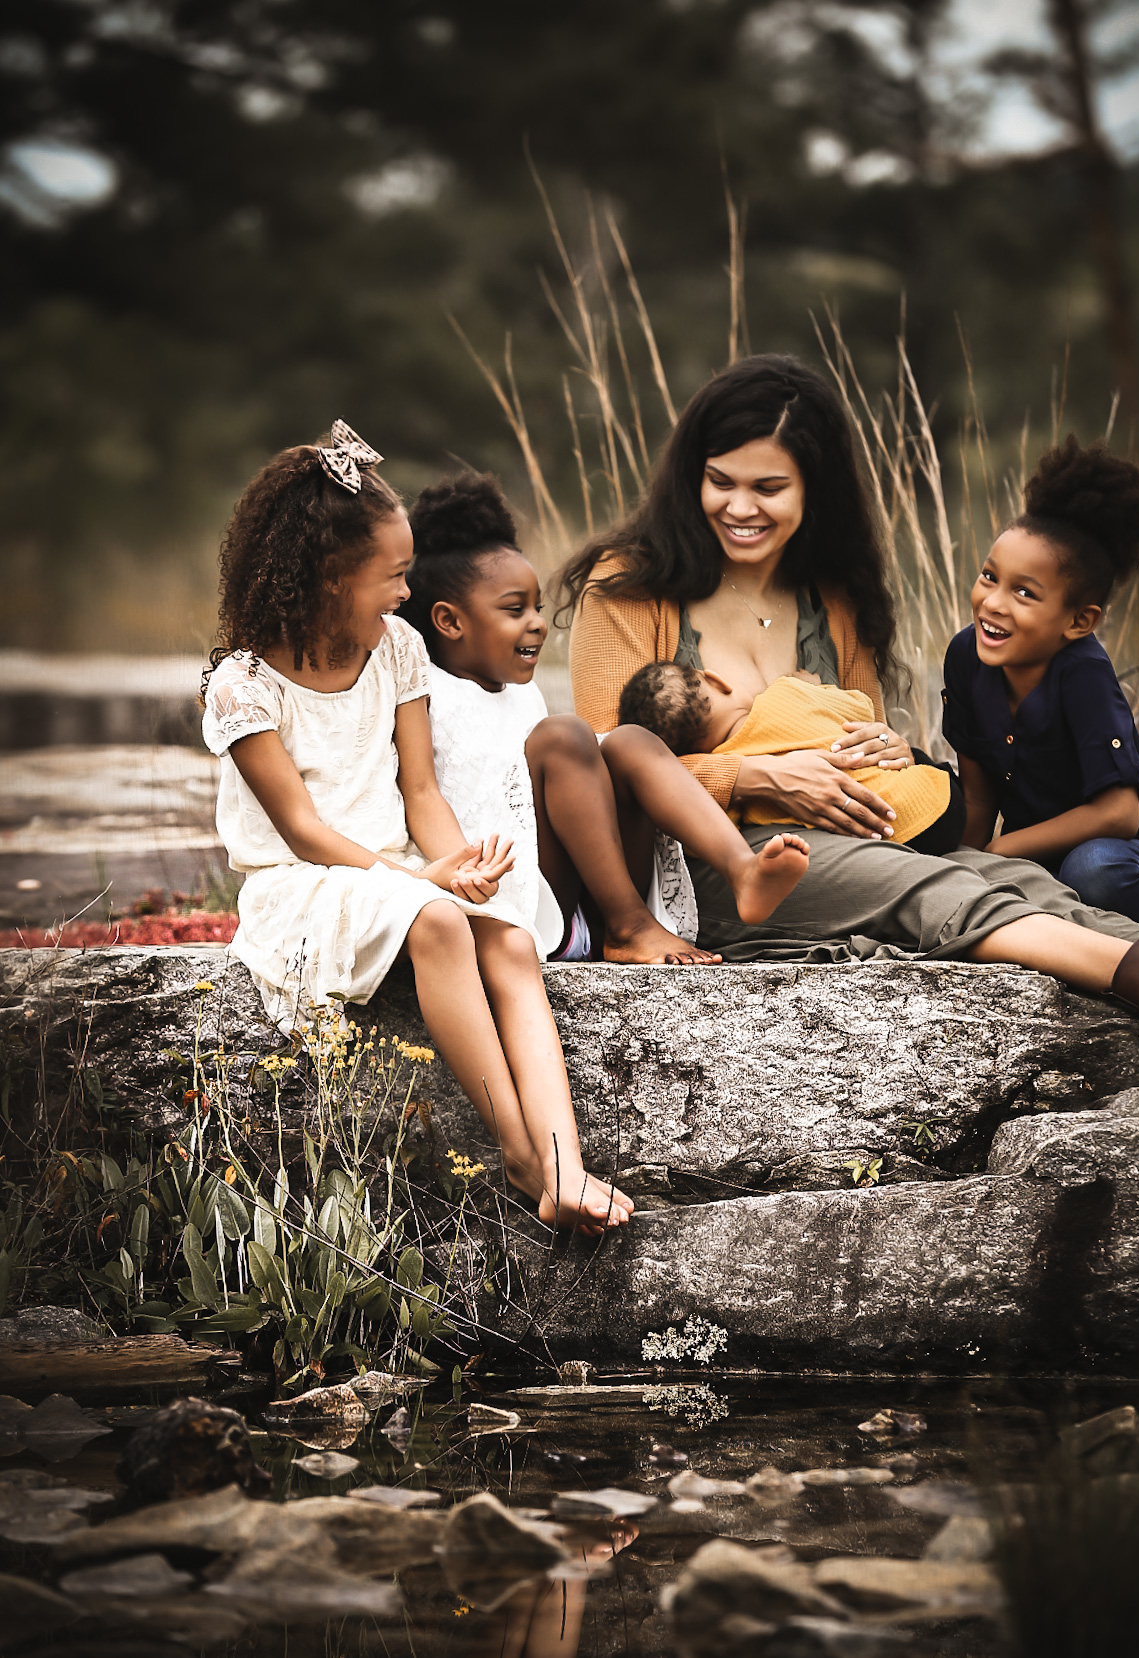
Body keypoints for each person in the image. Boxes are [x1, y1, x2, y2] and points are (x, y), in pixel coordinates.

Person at [561, 353, 1139, 1059]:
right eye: (720, 481)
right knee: (922, 884)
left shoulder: (831, 596)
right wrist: (753, 777)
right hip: (710, 862)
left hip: (843, 838)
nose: (740, 508)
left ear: (814, 491)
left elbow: (857, 726)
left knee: (1008, 875)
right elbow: (603, 766)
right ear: (693, 477)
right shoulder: (626, 585)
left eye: (769, 488)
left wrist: (889, 748)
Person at [201, 421, 632, 1232]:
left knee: (503, 933)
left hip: (400, 868)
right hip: (307, 886)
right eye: (392, 575)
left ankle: (566, 1165)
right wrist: (423, 885)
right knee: (439, 922)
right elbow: (300, 830)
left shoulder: (397, 649)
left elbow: (423, 791)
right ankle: (519, 1150)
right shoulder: (243, 685)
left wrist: (457, 862)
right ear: (331, 577)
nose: (406, 593)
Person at [398, 472, 810, 968]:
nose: (536, 622)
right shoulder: (422, 691)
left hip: (580, 899)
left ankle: (741, 871)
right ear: (449, 621)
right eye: (514, 610)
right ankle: (630, 926)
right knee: (566, 733)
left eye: (538, 607)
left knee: (629, 740)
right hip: (515, 903)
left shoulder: (522, 696)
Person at [943, 434, 1139, 930]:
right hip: (1043, 867)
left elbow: (1119, 814)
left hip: (1136, 859)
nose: (993, 602)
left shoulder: (1081, 669)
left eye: (1024, 592)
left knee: (1093, 867)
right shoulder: (966, 657)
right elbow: (978, 798)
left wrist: (1002, 850)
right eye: (988, 576)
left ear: (1078, 621)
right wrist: (961, 867)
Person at [617, 659, 964, 853]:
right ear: (717, 679)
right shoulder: (783, 693)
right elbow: (861, 708)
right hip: (936, 802)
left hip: (887, 840)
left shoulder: (732, 778)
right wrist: (812, 687)